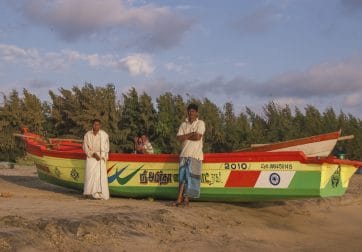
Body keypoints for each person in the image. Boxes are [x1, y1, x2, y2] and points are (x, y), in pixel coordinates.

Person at [174, 103, 205, 206]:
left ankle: (186, 200)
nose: (190, 113)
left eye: (193, 111)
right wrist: (192, 133)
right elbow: (178, 138)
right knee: (181, 178)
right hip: (184, 154)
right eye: (189, 111)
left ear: (197, 113)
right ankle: (179, 198)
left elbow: (198, 137)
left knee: (191, 178)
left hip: (195, 155)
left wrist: (185, 136)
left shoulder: (200, 123)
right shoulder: (183, 124)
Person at [83, 119, 110, 200]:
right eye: (95, 124)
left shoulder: (104, 135)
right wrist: (93, 154)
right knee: (89, 175)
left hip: (100, 158)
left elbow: (107, 147)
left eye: (98, 124)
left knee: (100, 177)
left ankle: (99, 194)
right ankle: (88, 193)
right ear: (92, 125)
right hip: (91, 157)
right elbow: (85, 147)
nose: (96, 126)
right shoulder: (87, 135)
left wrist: (103, 156)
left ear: (100, 125)